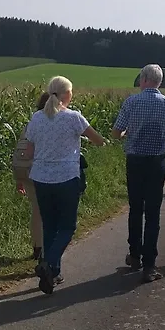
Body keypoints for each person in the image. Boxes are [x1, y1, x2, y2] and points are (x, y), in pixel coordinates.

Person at [25, 76, 106, 294]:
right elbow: (98, 140)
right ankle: (49, 263)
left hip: (41, 178)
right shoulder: (73, 118)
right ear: (68, 94)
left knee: (50, 226)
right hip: (67, 179)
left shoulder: (36, 118)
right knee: (68, 226)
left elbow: (30, 152)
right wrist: (105, 141)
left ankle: (54, 273)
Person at [113, 64, 165, 283]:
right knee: (153, 212)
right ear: (160, 82)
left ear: (144, 79)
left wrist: (127, 133)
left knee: (136, 208)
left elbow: (116, 133)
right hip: (158, 162)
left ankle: (134, 254)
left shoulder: (131, 102)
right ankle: (150, 264)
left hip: (135, 160)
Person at [14, 92, 50, 261]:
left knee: (36, 211)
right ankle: (46, 250)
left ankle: (37, 247)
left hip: (27, 172)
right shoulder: (52, 123)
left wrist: (19, 179)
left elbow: (20, 153)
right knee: (49, 211)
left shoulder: (31, 123)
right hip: (43, 173)